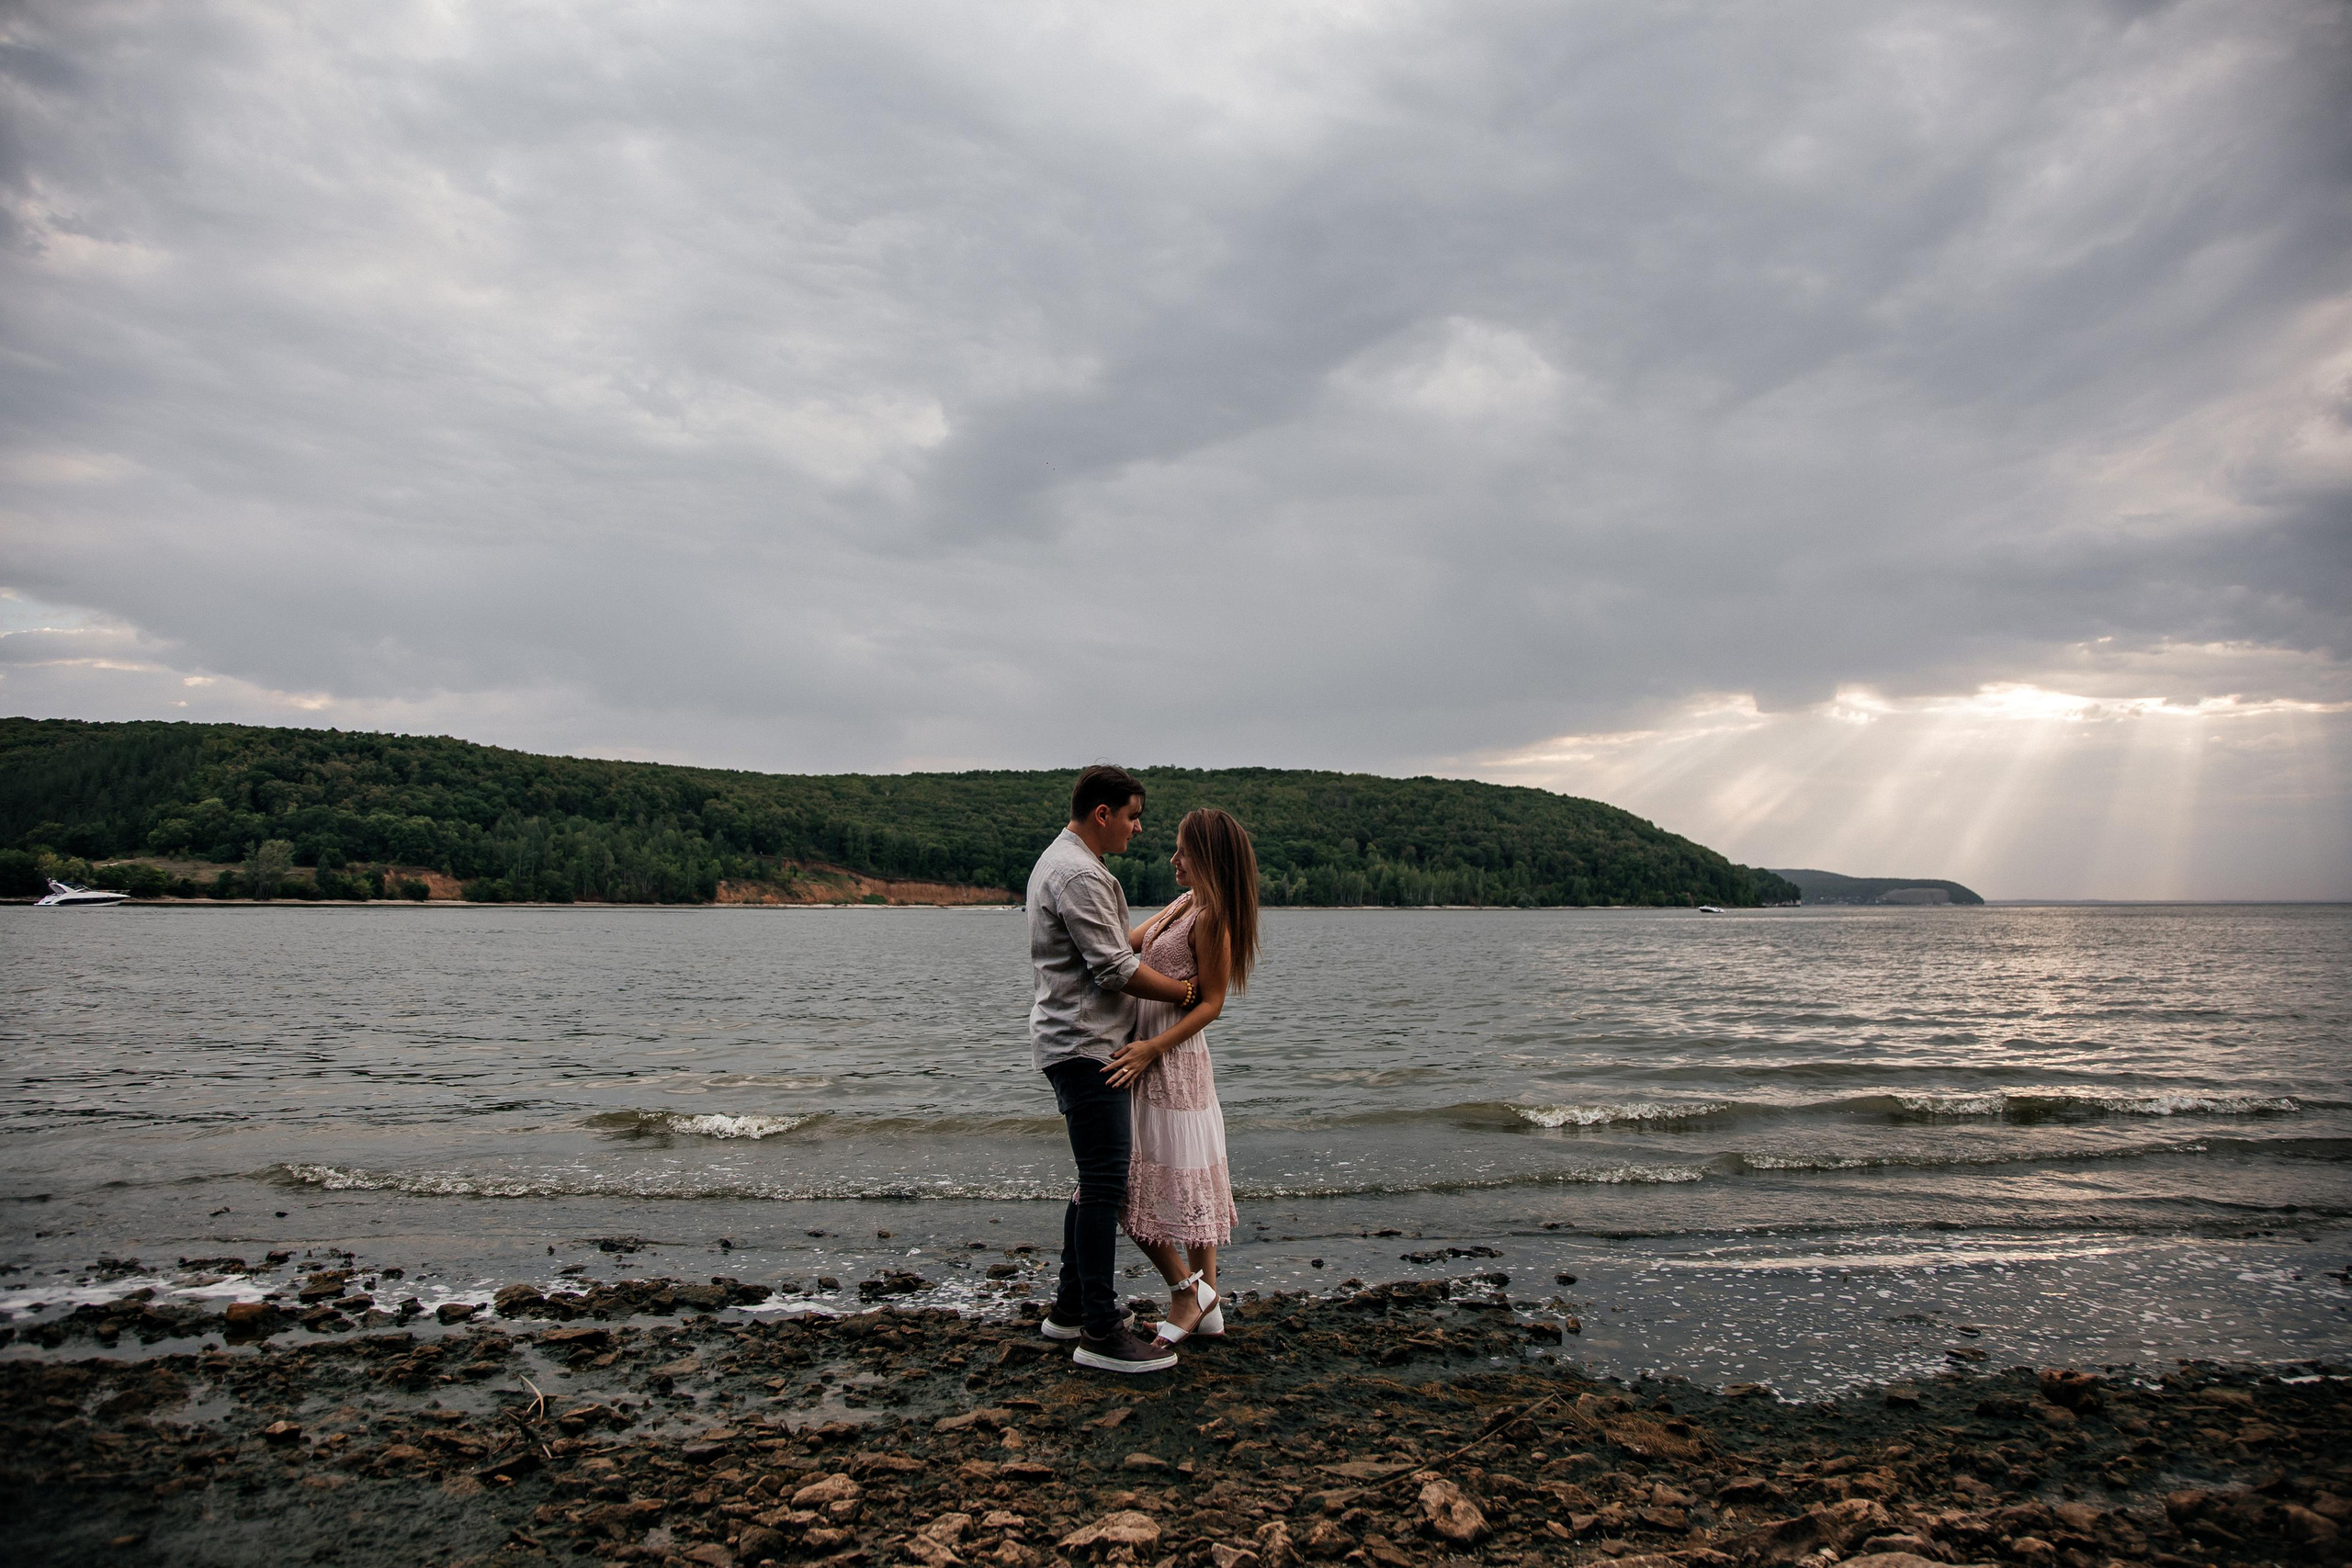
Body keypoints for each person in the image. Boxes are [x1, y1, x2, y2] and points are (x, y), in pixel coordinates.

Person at [1027, 765, 1203, 1373]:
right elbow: (1114, 970)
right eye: (1131, 815)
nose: (1138, 826)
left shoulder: (1067, 862)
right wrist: (1185, 992)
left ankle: (1071, 1308)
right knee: (1105, 1186)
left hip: (1075, 1041)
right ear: (1102, 812)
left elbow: (1105, 946)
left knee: (1091, 1181)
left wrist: (1148, 929)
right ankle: (1101, 1332)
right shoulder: (1077, 872)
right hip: (1085, 1045)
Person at [1107, 807, 1259, 1346]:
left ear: (1208, 858)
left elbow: (1213, 1003)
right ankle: (1209, 1310)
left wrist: (1150, 1048)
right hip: (1152, 1054)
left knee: (1146, 1184)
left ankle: (1190, 1293)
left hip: (1171, 1058)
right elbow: (1124, 945)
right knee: (1174, 1182)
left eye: (1183, 850)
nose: (1173, 858)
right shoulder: (1184, 903)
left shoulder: (1213, 914)